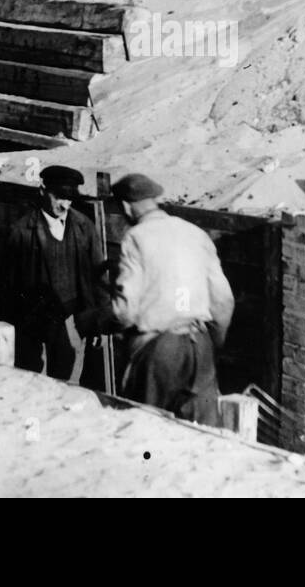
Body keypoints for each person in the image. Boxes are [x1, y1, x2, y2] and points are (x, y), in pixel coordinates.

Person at [104, 173, 234, 426]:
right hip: (199, 345)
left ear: (125, 206)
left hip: (158, 350)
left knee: (148, 429)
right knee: (203, 432)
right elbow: (224, 301)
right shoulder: (195, 233)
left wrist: (102, 322)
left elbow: (125, 311)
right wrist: (213, 344)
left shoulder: (136, 238)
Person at [3, 165, 110, 389]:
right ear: (42, 190)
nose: (64, 204)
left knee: (68, 383)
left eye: (69, 199)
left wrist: (98, 320)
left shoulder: (84, 227)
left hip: (72, 321)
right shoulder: (22, 230)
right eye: (59, 197)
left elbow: (98, 276)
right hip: (34, 322)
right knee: (34, 383)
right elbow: (8, 284)